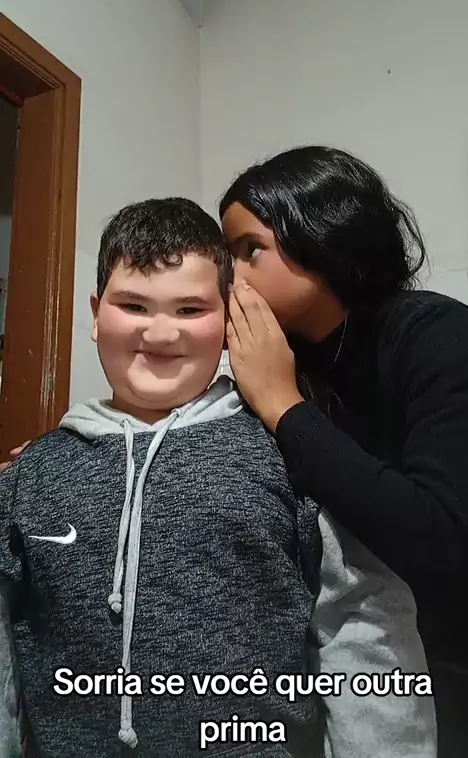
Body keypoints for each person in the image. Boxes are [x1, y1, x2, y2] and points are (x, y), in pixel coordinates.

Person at [0, 198, 436, 758]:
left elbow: (362, 620)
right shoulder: (32, 474)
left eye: (190, 309)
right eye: (133, 304)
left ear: (228, 321)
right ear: (96, 313)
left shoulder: (290, 456)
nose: (161, 333)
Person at [219, 144, 468, 758]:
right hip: (336, 665)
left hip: (452, 667)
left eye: (249, 249)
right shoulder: (285, 362)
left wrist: (283, 406)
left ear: (321, 232)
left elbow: (445, 540)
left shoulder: (435, 333)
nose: (230, 276)